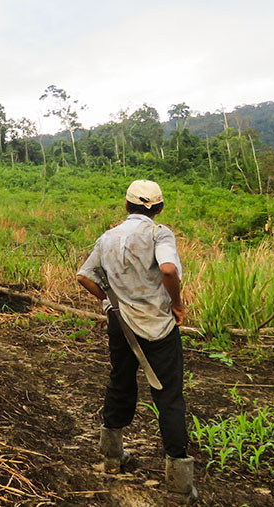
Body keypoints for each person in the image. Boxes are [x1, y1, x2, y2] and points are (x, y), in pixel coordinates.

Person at [75, 179, 198, 504]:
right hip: (158, 327)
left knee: (120, 382)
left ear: (126, 206)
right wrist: (177, 304)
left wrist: (109, 303)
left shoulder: (108, 237)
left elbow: (83, 276)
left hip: (121, 325)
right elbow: (169, 270)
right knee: (169, 396)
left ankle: (113, 458)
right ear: (158, 208)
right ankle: (179, 484)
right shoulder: (160, 233)